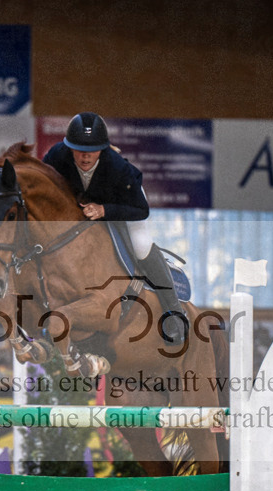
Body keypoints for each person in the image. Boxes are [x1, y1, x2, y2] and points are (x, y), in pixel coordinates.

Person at [42, 112, 187, 345]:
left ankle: (174, 311)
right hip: (82, 208)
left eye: (91, 150)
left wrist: (104, 211)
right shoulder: (57, 156)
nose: (84, 156)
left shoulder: (119, 168)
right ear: (69, 147)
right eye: (78, 149)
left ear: (103, 148)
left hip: (125, 206)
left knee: (140, 247)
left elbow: (141, 210)